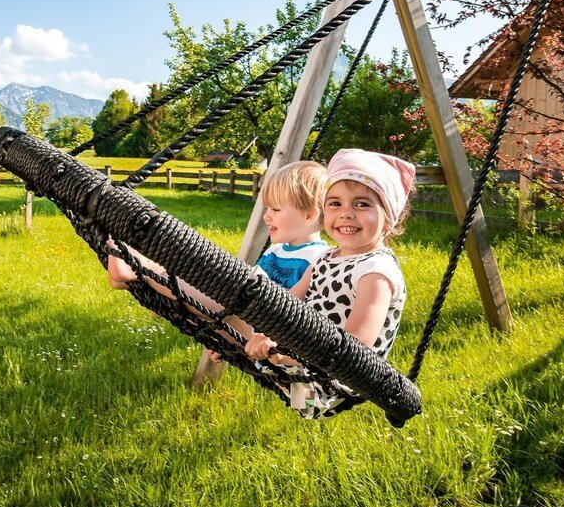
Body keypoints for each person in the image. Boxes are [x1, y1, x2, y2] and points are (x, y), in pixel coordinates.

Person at [245, 148, 416, 419]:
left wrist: (285, 354)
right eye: (335, 203)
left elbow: (355, 350)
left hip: (328, 388)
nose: (345, 213)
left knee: (239, 332)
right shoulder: (326, 257)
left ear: (389, 217)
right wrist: (263, 336)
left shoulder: (376, 272)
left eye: (361, 204)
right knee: (230, 319)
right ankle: (226, 341)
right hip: (299, 366)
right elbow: (285, 305)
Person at [106, 160, 329, 349]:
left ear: (309, 216)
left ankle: (142, 269)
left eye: (276, 210)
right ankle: (148, 278)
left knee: (222, 294)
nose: (266, 217)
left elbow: (306, 322)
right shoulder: (276, 250)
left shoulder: (319, 260)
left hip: (267, 340)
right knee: (212, 278)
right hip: (243, 324)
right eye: (267, 209)